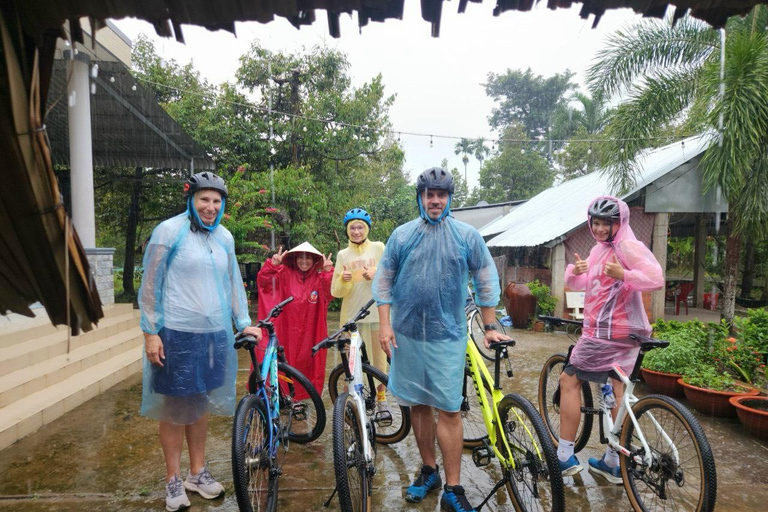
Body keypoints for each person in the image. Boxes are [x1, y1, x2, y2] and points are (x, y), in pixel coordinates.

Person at [373, 167, 510, 512]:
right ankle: (428, 469)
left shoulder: (466, 236)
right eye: (429, 194)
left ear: (449, 198)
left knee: (449, 409)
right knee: (418, 405)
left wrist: (490, 325)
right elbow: (385, 281)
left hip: (447, 336)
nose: (435, 200)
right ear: (420, 198)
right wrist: (384, 326)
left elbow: (484, 278)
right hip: (406, 335)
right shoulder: (402, 236)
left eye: (441, 195)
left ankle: (454, 486)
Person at [138, 172, 262, 512]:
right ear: (191, 198)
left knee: (200, 403)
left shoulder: (224, 237)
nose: (210, 207)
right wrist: (150, 332)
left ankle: (197, 471)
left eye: (216, 201)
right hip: (175, 332)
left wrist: (243, 322)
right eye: (204, 199)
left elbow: (233, 282)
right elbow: (151, 285)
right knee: (176, 407)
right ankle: (173, 479)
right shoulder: (169, 231)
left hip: (212, 334)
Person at [558, 196, 663, 484]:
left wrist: (625, 274)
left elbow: (656, 278)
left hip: (606, 332)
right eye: (597, 222)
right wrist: (575, 272)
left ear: (621, 222)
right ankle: (614, 462)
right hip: (629, 333)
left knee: (569, 380)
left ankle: (564, 455)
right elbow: (584, 285)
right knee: (618, 390)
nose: (602, 228)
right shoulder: (599, 250)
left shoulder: (627, 246)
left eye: (608, 222)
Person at [331, 208, 389, 415]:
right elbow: (335, 292)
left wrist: (377, 272)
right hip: (351, 317)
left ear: (367, 229)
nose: (356, 232)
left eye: (360, 227)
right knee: (350, 361)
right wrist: (342, 280)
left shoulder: (378, 248)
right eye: (352, 228)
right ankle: (354, 399)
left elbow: (392, 276)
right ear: (347, 230)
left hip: (375, 314)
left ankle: (381, 399)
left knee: (379, 359)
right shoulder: (342, 254)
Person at [257, 242, 333, 396]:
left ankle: (301, 396)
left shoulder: (319, 279)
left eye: (308, 258)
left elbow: (330, 292)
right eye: (300, 258)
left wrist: (328, 272)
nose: (304, 261)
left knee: (308, 364)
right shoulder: (283, 273)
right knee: (283, 362)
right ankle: (281, 395)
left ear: (314, 261)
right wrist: (272, 265)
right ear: (294, 259)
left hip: (311, 332)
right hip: (286, 330)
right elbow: (265, 283)